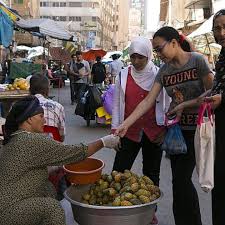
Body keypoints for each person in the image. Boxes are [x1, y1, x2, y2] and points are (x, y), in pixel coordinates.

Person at [115, 27, 214, 225]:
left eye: (159, 49)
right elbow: (147, 101)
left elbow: (212, 92)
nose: (158, 55)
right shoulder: (164, 71)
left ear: (175, 43)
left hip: (198, 130)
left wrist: (186, 104)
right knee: (178, 183)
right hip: (177, 132)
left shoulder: (197, 61)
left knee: (183, 180)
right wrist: (124, 124)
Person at [0, 95, 120, 225]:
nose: (44, 121)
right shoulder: (31, 140)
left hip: (11, 202)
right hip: (8, 211)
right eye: (41, 116)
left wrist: (54, 167)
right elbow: (73, 153)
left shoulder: (16, 138)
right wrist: (103, 142)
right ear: (29, 119)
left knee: (49, 188)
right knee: (52, 209)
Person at [168, 10, 225, 225]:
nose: (221, 33)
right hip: (213, 130)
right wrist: (184, 105)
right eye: (217, 28)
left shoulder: (199, 61)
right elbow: (212, 92)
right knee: (217, 185)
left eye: (224, 27)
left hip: (212, 128)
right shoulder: (221, 58)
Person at [111, 36, 170, 225]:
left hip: (154, 132)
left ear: (148, 56)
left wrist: (165, 128)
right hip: (128, 131)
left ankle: (150, 213)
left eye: (140, 58)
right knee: (118, 171)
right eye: (133, 57)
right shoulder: (123, 74)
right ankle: (114, 209)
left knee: (152, 174)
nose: (136, 61)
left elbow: (168, 102)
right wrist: (115, 131)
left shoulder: (159, 74)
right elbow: (117, 104)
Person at [30, 74, 66, 141]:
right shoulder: (58, 107)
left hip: (27, 148)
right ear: (47, 89)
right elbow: (61, 136)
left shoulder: (21, 106)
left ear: (30, 89)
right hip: (53, 148)